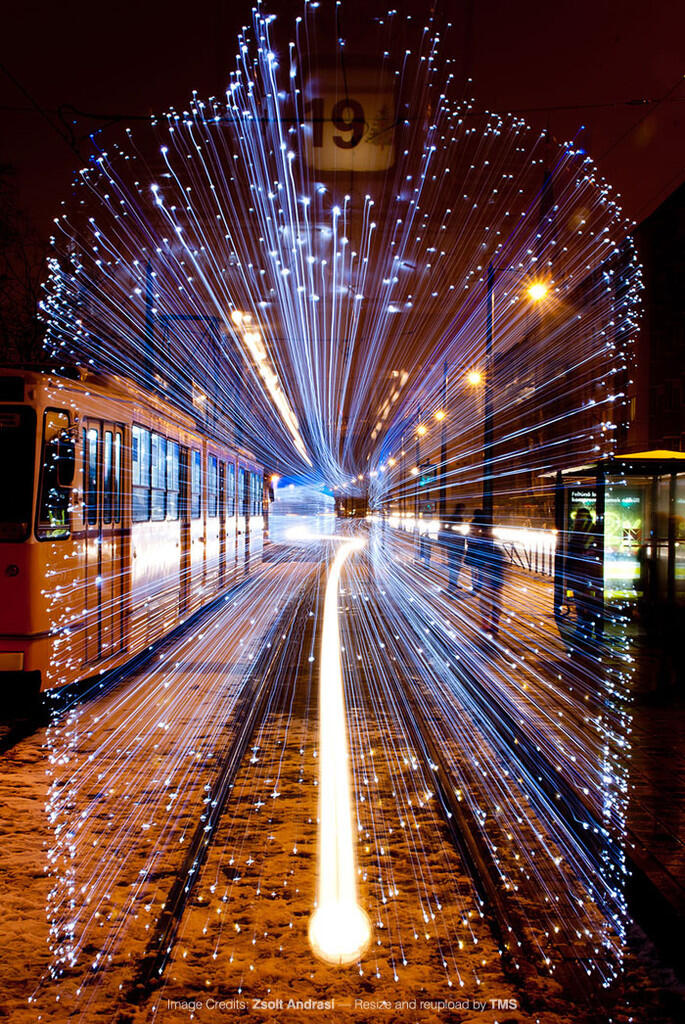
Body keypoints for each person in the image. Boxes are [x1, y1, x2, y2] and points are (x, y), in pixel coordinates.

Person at [566, 507, 600, 639]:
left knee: (582, 603)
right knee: (589, 603)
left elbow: (571, 554)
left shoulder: (577, 533)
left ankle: (584, 629)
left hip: (580, 574)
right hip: (590, 573)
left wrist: (567, 573)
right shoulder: (594, 531)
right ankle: (590, 629)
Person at [478, 526, 506, 635]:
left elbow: (482, 565)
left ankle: (486, 624)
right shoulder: (498, 550)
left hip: (488, 580)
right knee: (496, 603)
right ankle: (494, 625)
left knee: (485, 603)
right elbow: (503, 563)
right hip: (497, 580)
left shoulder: (483, 550)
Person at [439, 502, 467, 595]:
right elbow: (454, 530)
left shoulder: (453, 517)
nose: (463, 511)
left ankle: (453, 583)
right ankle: (452, 583)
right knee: (456, 565)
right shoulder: (457, 518)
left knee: (454, 565)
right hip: (456, 545)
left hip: (453, 545)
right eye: (463, 508)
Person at [465, 508, 488, 593]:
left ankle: (475, 585)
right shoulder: (485, 524)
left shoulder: (473, 523)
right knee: (480, 568)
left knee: (473, 569)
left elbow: (472, 534)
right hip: (480, 548)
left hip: (473, 547)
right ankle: (479, 585)